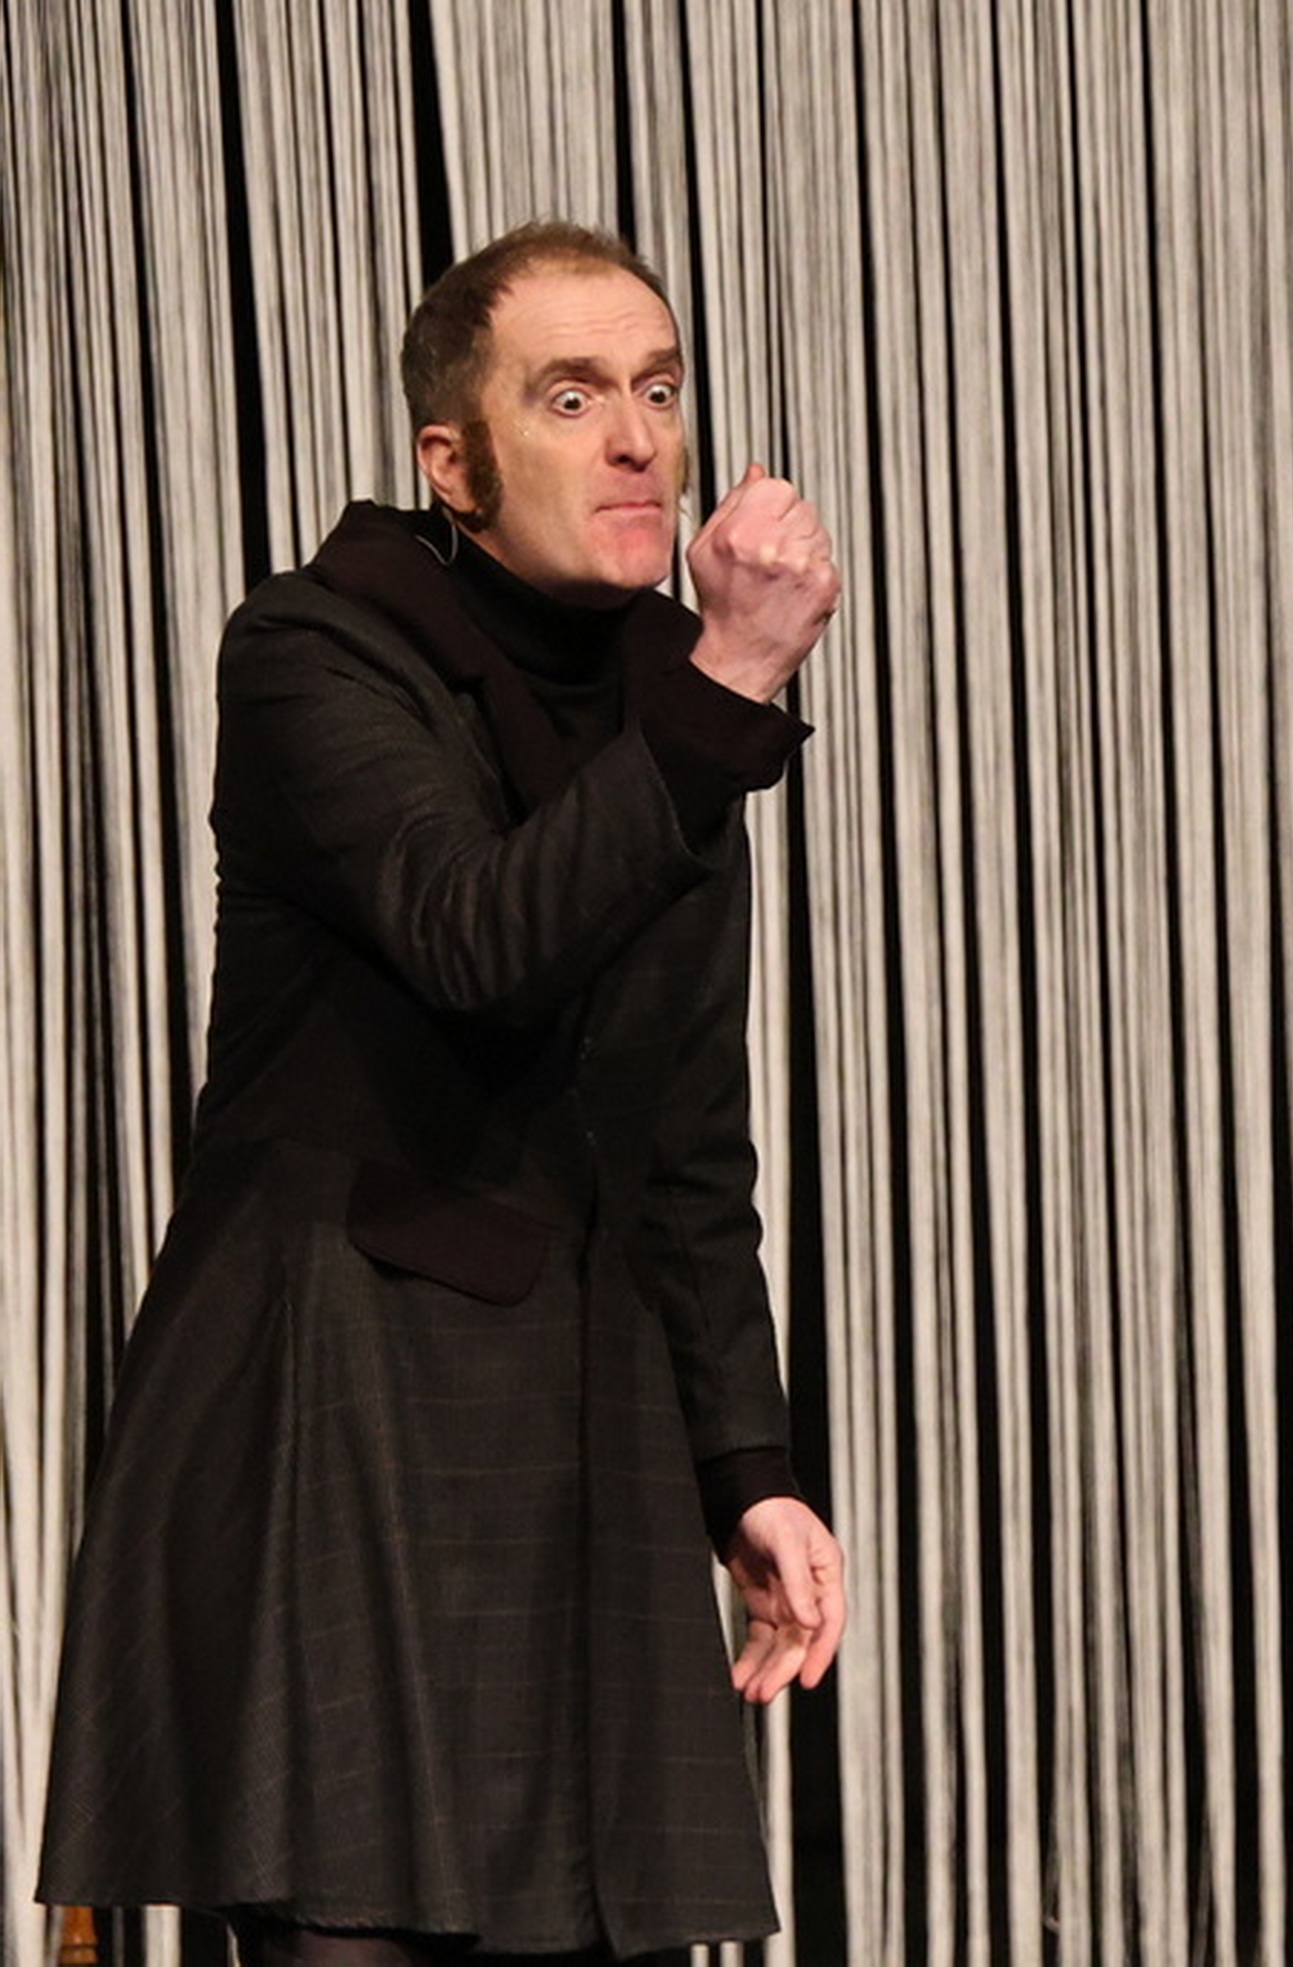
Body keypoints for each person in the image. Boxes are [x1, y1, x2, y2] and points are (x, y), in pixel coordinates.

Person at [38, 221, 847, 1965]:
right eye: (571, 397)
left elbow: (683, 1138)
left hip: (585, 1435)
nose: (636, 440)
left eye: (658, 389)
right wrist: (723, 689)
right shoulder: (317, 651)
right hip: (346, 1408)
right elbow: (476, 937)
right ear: (454, 463)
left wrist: (746, 1468)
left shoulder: (671, 710)